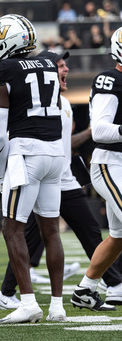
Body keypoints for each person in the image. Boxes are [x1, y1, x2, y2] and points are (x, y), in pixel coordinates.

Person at [0, 49, 122, 312]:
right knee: (27, 232)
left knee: (86, 231)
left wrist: (78, 161)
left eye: (64, 66)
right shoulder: (38, 102)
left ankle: (101, 285)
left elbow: (63, 144)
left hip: (62, 176)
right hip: (42, 170)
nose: (64, 70)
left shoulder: (63, 104)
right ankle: (7, 292)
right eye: (60, 66)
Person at [0, 14, 66, 324]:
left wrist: (1, 174)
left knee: (12, 228)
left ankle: (29, 302)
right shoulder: (47, 64)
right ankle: (57, 307)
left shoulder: (1, 69)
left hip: (26, 153)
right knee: (51, 230)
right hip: (54, 152)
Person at [71, 27, 122, 312]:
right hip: (109, 163)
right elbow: (100, 130)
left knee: (118, 237)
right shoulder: (110, 78)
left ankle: (86, 290)